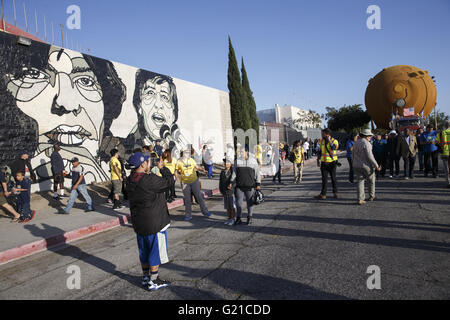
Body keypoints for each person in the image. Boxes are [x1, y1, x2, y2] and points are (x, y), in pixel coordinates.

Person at [127, 152, 174, 291]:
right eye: (147, 161)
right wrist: (162, 168)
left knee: (144, 252)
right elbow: (169, 182)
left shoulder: (129, 180)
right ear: (142, 164)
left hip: (139, 222)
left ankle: (146, 277)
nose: (149, 163)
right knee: (155, 252)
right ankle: (154, 280)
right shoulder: (148, 180)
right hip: (154, 222)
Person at [176, 146, 211, 221]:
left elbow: (197, 167)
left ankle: (205, 211)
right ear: (182, 153)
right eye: (185, 152)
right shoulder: (179, 162)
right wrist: (177, 177)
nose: (187, 153)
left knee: (199, 196)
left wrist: (203, 170)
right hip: (185, 182)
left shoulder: (191, 160)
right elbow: (176, 171)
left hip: (194, 181)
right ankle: (188, 215)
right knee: (188, 199)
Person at [234, 145, 261, 225]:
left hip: (250, 186)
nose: (240, 153)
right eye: (239, 152)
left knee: (250, 203)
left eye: (242, 152)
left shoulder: (253, 161)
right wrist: (231, 182)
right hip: (239, 186)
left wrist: (258, 184)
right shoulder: (237, 161)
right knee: (238, 203)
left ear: (246, 152)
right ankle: (238, 218)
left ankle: (249, 217)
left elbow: (257, 173)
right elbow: (234, 173)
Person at [352, 129, 381, 205]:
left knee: (360, 182)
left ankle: (360, 199)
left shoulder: (356, 143)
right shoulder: (366, 143)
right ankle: (372, 196)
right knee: (371, 181)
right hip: (366, 165)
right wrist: (376, 165)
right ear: (365, 136)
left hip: (356, 165)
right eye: (369, 136)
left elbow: (353, 155)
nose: (371, 137)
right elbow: (370, 156)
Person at [315, 128, 339, 200]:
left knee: (333, 178)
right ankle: (323, 194)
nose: (322, 135)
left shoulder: (334, 141)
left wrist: (329, 141)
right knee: (324, 179)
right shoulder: (322, 141)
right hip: (324, 163)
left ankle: (335, 193)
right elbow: (320, 151)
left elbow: (334, 148)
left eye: (323, 133)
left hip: (332, 162)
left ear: (327, 134)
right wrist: (318, 160)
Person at [219, 157, 236, 226]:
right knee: (227, 206)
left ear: (230, 164)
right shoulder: (222, 172)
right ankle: (229, 218)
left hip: (231, 191)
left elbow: (235, 181)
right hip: (224, 191)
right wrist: (221, 189)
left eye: (227, 162)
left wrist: (232, 185)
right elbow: (220, 181)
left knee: (231, 206)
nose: (226, 164)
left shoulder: (233, 172)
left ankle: (233, 219)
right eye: (225, 162)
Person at [436, 121, 450, 188]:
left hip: (444, 153)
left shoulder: (441, 133)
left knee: (446, 168)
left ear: (444, 125)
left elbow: (436, 142)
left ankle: (448, 182)